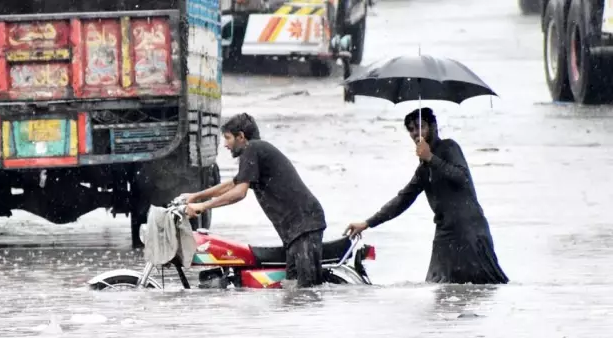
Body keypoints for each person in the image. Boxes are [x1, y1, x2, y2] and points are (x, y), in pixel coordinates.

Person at [344, 107, 509, 285]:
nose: (416, 133)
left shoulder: (449, 147)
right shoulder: (424, 169)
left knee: (481, 290)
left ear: (433, 127)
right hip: (445, 236)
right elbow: (402, 200)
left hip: (470, 233)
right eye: (411, 129)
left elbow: (461, 177)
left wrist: (430, 157)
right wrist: (367, 223)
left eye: (420, 126)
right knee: (440, 292)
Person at [183, 113, 327, 288]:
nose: (225, 144)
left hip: (305, 225)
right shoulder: (257, 151)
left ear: (241, 137)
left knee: (307, 289)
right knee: (294, 290)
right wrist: (195, 196)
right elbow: (232, 184)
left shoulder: (252, 149)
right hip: (295, 230)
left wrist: (203, 206)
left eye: (227, 138)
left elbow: (239, 192)